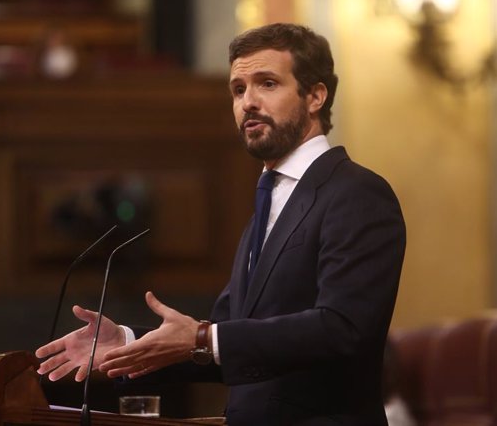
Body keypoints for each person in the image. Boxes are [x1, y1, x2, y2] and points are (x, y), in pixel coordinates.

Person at [36, 23, 406, 425]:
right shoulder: (268, 205)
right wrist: (127, 342)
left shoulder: (356, 193)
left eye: (267, 83)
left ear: (315, 96)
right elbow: (226, 343)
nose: (248, 102)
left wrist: (202, 338)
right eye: (238, 89)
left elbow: (342, 329)